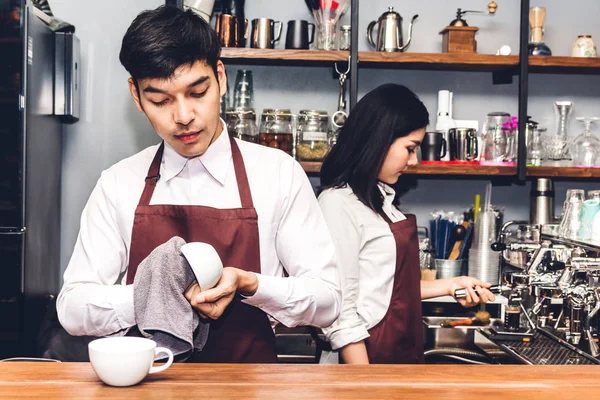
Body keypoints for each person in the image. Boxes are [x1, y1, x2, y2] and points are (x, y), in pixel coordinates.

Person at [56, 5, 341, 363]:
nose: (183, 117)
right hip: (149, 387)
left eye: (197, 92)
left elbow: (328, 301)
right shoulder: (119, 183)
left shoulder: (278, 174)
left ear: (220, 78)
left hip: (249, 387)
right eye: (160, 100)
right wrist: (154, 293)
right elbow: (72, 309)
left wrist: (251, 285)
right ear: (136, 96)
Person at [318, 84, 495, 364]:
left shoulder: (383, 199)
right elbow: (341, 310)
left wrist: (453, 285)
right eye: (410, 148)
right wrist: (362, 384)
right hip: (362, 359)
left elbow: (389, 289)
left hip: (399, 352)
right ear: (378, 140)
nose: (414, 161)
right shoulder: (338, 204)